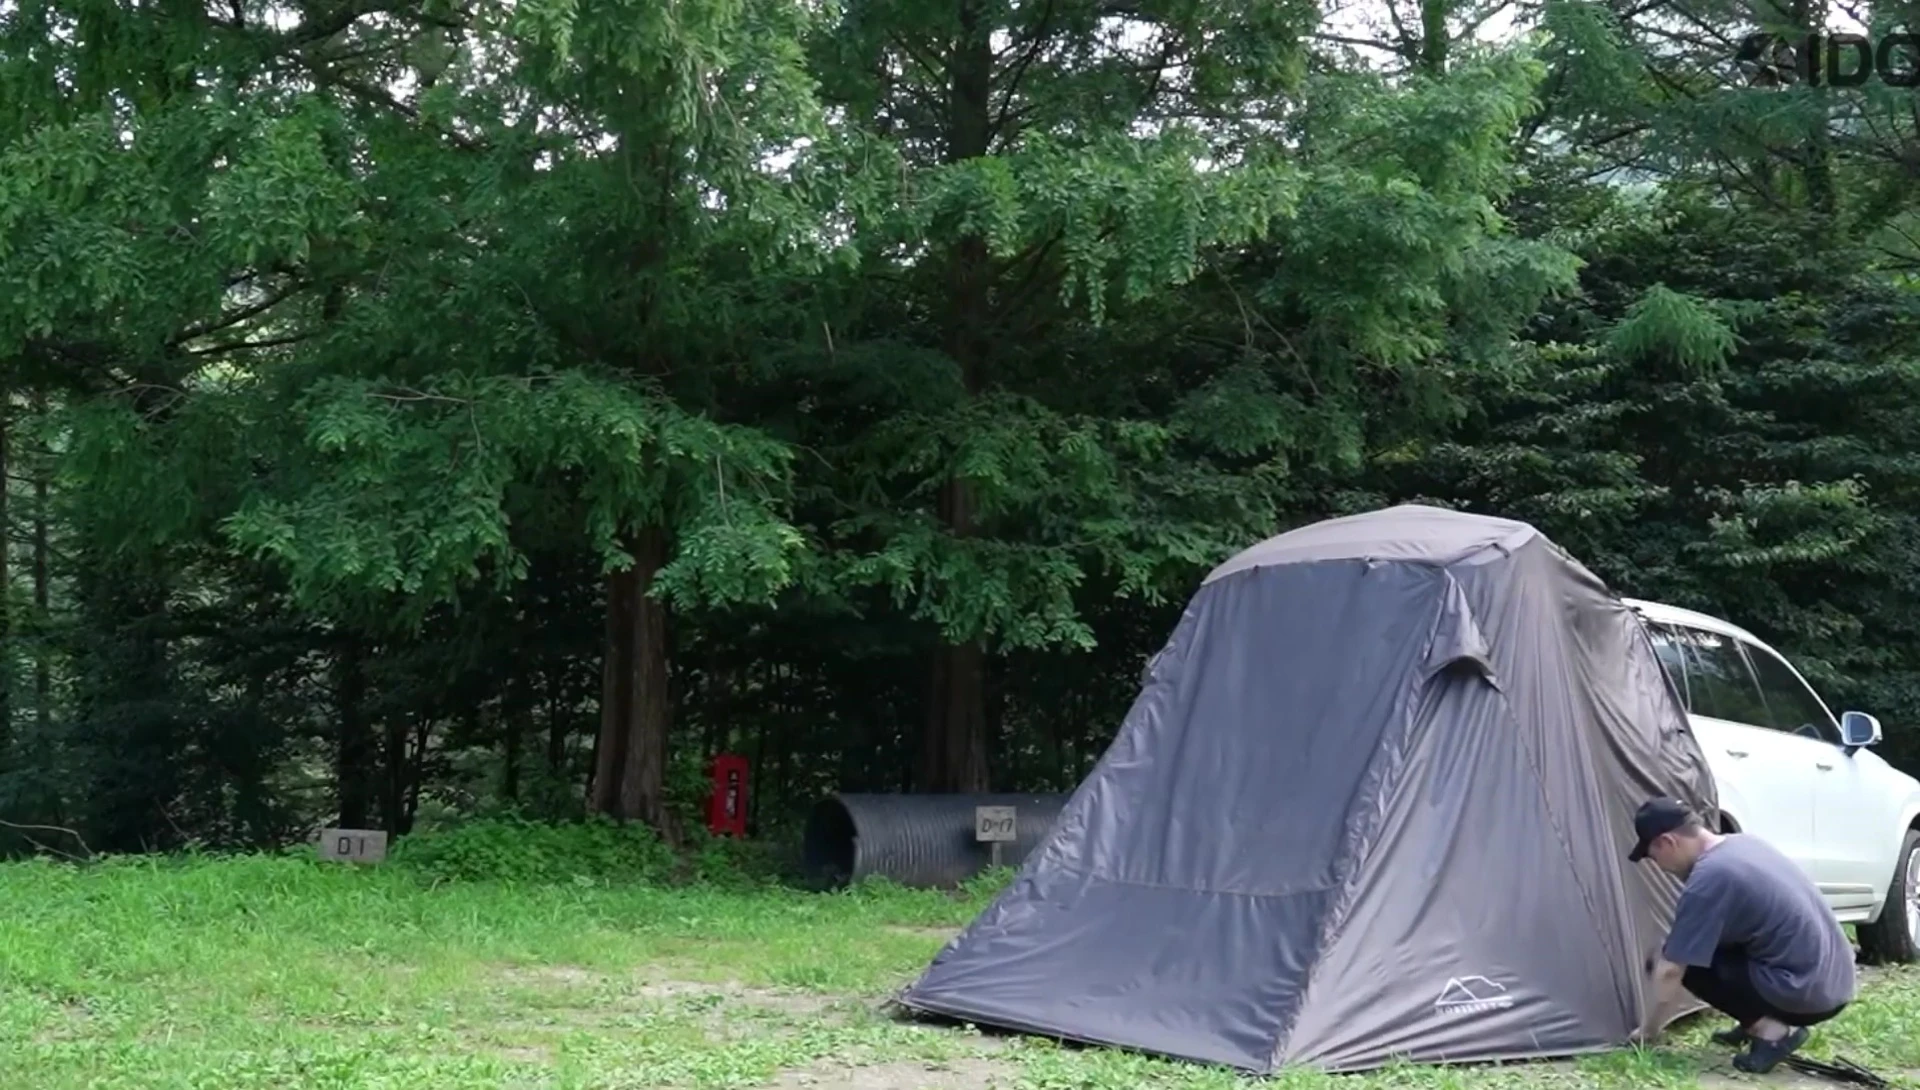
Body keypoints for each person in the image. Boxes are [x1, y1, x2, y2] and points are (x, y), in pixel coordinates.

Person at [1627, 796, 1855, 1073]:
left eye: (1653, 856)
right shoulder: (1743, 844)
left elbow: (1672, 970)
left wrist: (1646, 1032)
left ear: (1667, 842)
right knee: (1700, 945)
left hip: (1807, 992)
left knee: (1680, 961)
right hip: (1835, 980)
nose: (1659, 866)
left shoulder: (1710, 877)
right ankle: (1754, 1021)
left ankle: (1771, 1031)